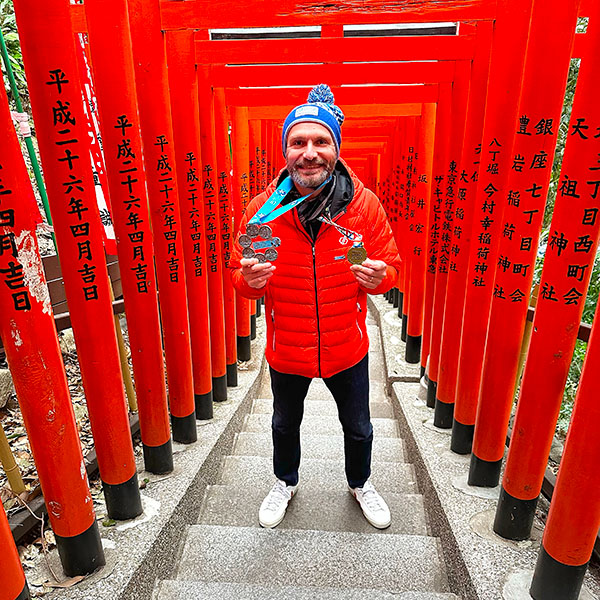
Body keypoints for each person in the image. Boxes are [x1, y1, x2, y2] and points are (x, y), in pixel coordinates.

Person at [230, 84, 402, 530]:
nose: (309, 153)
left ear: (336, 148)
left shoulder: (362, 207)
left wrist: (381, 277)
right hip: (288, 346)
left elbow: (389, 266)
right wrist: (249, 282)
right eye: (298, 142)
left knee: (359, 427)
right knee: (284, 424)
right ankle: (284, 482)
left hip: (348, 345)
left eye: (320, 141)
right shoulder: (263, 213)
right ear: (285, 151)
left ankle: (360, 483)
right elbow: (241, 277)